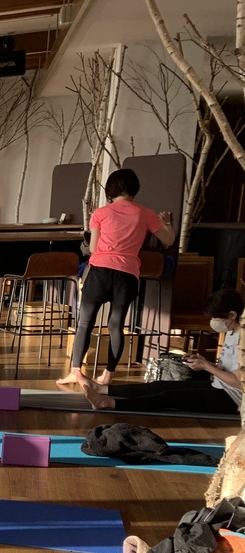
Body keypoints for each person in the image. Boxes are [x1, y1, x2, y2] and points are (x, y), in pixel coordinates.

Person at [59, 169, 175, 389]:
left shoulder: (101, 213)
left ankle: (75, 372)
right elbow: (168, 240)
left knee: (85, 323)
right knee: (116, 325)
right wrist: (167, 223)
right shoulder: (146, 213)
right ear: (135, 188)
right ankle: (108, 376)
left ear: (110, 190)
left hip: (100, 271)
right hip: (127, 274)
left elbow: (93, 248)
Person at [82, 289, 244, 414]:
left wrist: (207, 367)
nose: (213, 322)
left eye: (216, 318)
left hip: (233, 398)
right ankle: (101, 389)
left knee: (170, 397)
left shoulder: (242, 341)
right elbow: (229, 370)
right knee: (160, 386)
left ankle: (107, 403)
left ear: (232, 315)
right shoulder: (231, 331)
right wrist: (204, 362)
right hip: (218, 385)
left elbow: (239, 383)